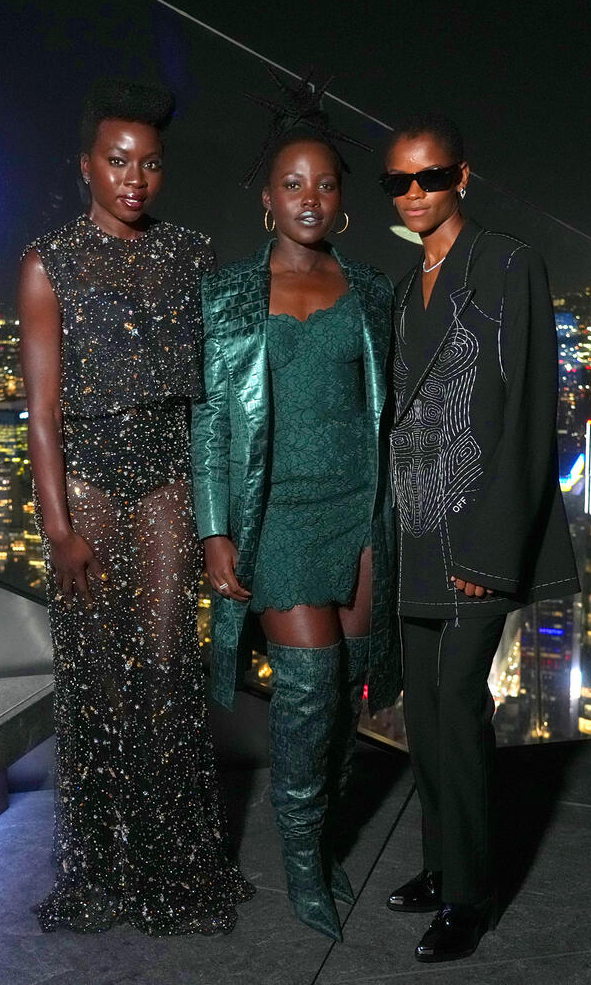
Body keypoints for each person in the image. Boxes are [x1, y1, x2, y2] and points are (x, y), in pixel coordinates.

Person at [18, 79, 253, 936]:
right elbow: (40, 412)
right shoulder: (49, 260)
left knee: (163, 674)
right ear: (88, 167)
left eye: (149, 163)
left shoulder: (192, 254)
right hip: (85, 485)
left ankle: (172, 865)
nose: (134, 177)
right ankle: (104, 868)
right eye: (118, 161)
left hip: (167, 484)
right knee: (95, 681)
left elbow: (209, 399)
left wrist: (211, 510)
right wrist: (59, 527)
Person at [191, 85, 399, 942]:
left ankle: (325, 836)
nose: (309, 198)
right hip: (275, 514)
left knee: (350, 694)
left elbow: (394, 410)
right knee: (308, 693)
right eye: (292, 184)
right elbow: (209, 418)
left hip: (358, 510)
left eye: (324, 184)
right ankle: (303, 864)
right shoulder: (231, 295)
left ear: (341, 199)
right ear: (266, 197)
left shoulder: (376, 290)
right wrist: (214, 528)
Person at [380, 114, 580, 962]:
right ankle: (441, 861)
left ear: (463, 176)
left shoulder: (505, 263)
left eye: (431, 176)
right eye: (400, 182)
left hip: (474, 536)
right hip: (413, 527)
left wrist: (491, 556)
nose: (415, 193)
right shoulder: (403, 286)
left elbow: (532, 416)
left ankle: (468, 895)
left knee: (456, 707)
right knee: (422, 712)